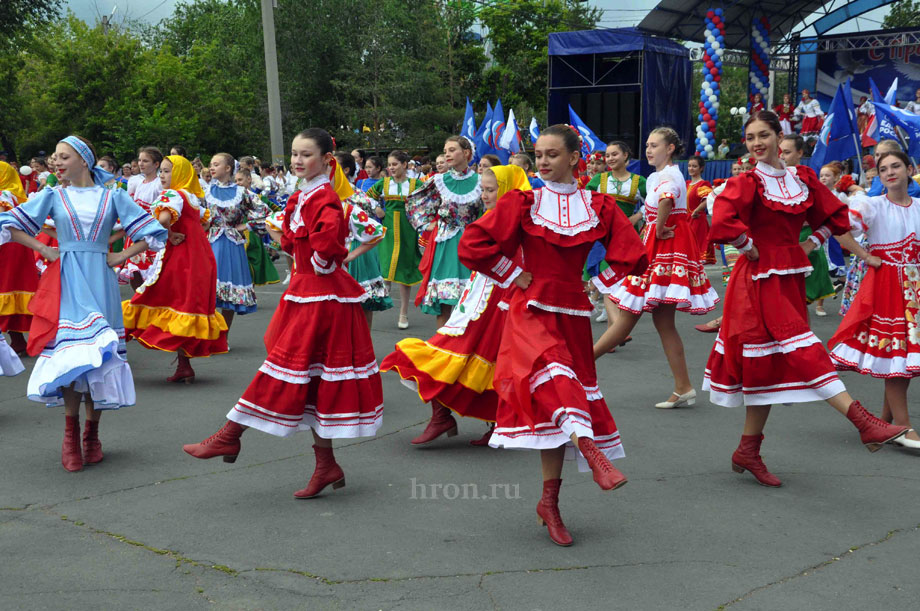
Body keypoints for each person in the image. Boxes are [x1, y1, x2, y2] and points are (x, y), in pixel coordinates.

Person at [458, 125, 648, 546]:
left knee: (556, 408)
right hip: (529, 310)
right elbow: (473, 244)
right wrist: (513, 273)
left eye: (552, 155)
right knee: (557, 379)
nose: (542, 162)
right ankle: (593, 454)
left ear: (575, 158)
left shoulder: (598, 204)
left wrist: (598, 283)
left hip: (573, 314)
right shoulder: (523, 201)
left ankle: (550, 502)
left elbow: (633, 253)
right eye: (538, 154)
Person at [701, 111, 908, 488]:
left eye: (763, 135)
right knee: (804, 349)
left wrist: (811, 242)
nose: (756, 143)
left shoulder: (804, 179)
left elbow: (835, 215)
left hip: (791, 277)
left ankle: (748, 449)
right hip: (759, 281)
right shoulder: (747, 181)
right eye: (749, 138)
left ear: (781, 137)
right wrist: (747, 245)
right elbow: (722, 221)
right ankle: (863, 422)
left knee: (767, 364)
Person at [182, 128, 384, 499]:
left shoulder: (324, 199)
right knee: (310, 382)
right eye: (294, 153)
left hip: (320, 298)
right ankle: (325, 465)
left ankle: (230, 435)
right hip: (309, 294)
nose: (296, 160)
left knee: (282, 369)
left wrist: (311, 252)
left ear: (326, 160)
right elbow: (300, 244)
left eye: (305, 154)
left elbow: (327, 256)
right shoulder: (306, 196)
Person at [0, 135, 168, 472]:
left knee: (101, 358)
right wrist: (46, 249)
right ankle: (69, 433)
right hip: (67, 280)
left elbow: (153, 229)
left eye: (64, 157)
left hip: (101, 280)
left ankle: (92, 434)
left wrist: (120, 254)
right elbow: (10, 223)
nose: (56, 163)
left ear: (83, 160)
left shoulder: (113, 195)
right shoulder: (52, 194)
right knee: (73, 356)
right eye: (56, 158)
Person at [381, 165, 532, 447]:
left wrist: (511, 279)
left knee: (489, 359)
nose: (484, 196)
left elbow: (518, 261)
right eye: (483, 190)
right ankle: (444, 415)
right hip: (478, 297)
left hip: (499, 302)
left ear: (509, 191)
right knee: (460, 351)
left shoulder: (516, 221)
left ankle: (491, 423)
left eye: (490, 190)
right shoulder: (493, 216)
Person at [593, 127, 720, 409]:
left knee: (627, 312)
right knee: (662, 324)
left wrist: (659, 228)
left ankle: (580, 369)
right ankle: (683, 386)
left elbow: (666, 199)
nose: (649, 150)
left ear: (670, 148)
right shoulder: (659, 176)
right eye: (647, 145)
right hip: (661, 247)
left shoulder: (668, 175)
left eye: (655, 145)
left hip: (662, 249)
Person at [829, 150, 920, 449]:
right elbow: (840, 230)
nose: (890, 172)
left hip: (915, 290)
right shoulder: (873, 205)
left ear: (910, 169)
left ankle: (886, 423)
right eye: (883, 169)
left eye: (896, 166)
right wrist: (866, 256)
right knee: (898, 357)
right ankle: (904, 427)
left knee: (904, 358)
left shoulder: (919, 207)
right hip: (888, 289)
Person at [122, 155, 228, 383]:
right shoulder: (191, 197)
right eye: (161, 171)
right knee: (184, 306)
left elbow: (161, 220)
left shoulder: (172, 195)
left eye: (167, 171)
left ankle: (113, 352)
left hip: (180, 258)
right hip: (200, 258)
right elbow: (205, 223)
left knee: (152, 298)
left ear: (180, 174)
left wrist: (169, 234)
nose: (162, 175)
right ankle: (184, 365)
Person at [406, 136, 483, 326]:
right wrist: (425, 225)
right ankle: (442, 347)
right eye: (445, 150)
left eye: (451, 150)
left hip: (471, 245)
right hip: (445, 244)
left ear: (466, 153)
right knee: (444, 303)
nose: (447, 154)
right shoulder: (439, 180)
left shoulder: (480, 181)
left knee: (470, 303)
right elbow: (414, 202)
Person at [205, 152, 273, 334]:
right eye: (211, 164)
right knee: (207, 292)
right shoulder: (205, 191)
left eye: (216, 164)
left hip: (232, 245)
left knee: (228, 294)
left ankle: (223, 335)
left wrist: (248, 226)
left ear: (228, 168)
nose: (211, 167)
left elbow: (264, 211)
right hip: (210, 244)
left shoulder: (241, 192)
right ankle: (208, 334)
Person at [585, 141, 646, 328]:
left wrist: (637, 216)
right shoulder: (598, 181)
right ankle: (617, 330)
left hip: (627, 235)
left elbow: (652, 203)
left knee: (619, 282)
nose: (610, 158)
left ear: (626, 155)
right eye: (608, 155)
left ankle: (614, 333)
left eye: (614, 154)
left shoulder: (639, 181)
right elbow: (586, 202)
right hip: (603, 237)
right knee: (607, 281)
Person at [365, 150, 424, 329]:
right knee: (385, 263)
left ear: (404, 165)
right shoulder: (384, 183)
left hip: (408, 230)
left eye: (395, 164)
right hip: (388, 228)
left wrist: (421, 219)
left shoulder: (416, 184)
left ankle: (403, 313)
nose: (391, 168)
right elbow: (364, 198)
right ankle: (381, 296)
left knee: (405, 271)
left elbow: (429, 202)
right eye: (389, 165)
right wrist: (377, 209)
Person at [333, 151, 392, 323]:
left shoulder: (354, 194)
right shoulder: (322, 192)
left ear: (344, 170)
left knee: (364, 300)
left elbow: (376, 214)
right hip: (332, 249)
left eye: (333, 165)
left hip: (356, 248)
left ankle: (364, 343)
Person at [780, 136, 836, 315]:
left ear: (800, 153)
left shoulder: (806, 180)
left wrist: (814, 240)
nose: (781, 156)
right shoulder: (764, 179)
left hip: (804, 237)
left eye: (787, 152)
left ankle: (817, 306)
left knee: (814, 273)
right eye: (779, 151)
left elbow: (833, 216)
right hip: (776, 249)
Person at [0, 162, 40, 355]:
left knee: (8, 289)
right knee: (12, 290)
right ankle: (18, 341)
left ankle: (19, 341)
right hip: (16, 247)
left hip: (8, 248)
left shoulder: (5, 197)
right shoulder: (17, 197)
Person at [123, 146, 164, 289]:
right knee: (135, 272)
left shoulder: (159, 184)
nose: (141, 163)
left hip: (151, 232)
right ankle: (139, 304)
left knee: (152, 274)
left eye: (145, 161)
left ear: (156, 164)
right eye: (140, 160)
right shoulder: (138, 182)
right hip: (136, 232)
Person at [234, 169, 280, 287]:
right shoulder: (232, 198)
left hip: (254, 236)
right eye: (235, 180)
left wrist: (252, 225)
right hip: (237, 235)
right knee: (240, 266)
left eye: (240, 180)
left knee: (254, 265)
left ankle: (251, 293)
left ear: (249, 179)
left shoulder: (259, 197)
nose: (237, 183)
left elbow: (276, 214)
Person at [686, 155, 715, 264]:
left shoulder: (703, 184)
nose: (691, 168)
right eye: (689, 166)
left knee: (696, 256)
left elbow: (708, 199)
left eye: (694, 166)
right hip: (686, 220)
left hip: (697, 221)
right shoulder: (687, 183)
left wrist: (697, 210)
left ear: (701, 168)